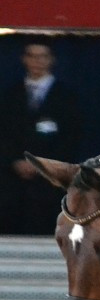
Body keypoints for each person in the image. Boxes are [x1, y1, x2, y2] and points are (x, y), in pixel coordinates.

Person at [0, 39, 82, 235]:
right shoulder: (9, 96)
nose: (37, 61)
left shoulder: (66, 98)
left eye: (42, 56)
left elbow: (71, 138)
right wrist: (14, 161)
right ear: (24, 59)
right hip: (12, 184)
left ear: (51, 60)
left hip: (49, 185)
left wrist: (41, 165)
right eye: (32, 56)